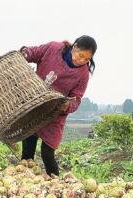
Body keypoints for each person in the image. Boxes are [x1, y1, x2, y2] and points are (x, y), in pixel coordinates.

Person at [19, 35, 97, 176]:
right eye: (81, 55)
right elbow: (33, 53)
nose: (82, 61)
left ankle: (57, 184)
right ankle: (24, 181)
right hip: (35, 106)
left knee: (47, 154)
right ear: (75, 47)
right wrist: (25, 54)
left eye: (87, 59)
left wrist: (65, 105)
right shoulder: (53, 48)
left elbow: (76, 100)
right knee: (27, 151)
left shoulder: (83, 74)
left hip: (55, 114)